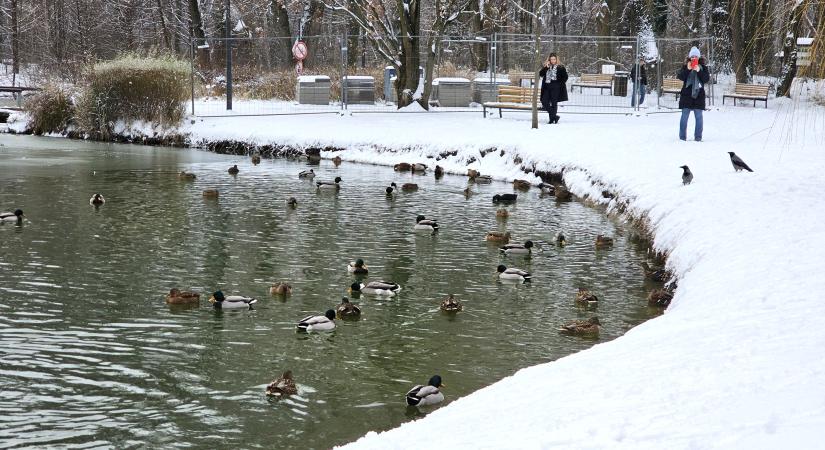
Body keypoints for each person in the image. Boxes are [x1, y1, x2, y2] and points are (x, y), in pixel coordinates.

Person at [676, 46, 710, 141]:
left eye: (696, 56)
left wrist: (699, 71)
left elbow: (706, 79)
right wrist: (688, 69)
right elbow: (680, 77)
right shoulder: (685, 66)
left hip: (699, 95)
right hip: (686, 95)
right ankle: (682, 137)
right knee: (684, 116)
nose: (694, 58)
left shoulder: (703, 67)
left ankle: (698, 137)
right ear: (689, 57)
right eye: (692, 57)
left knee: (699, 117)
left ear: (699, 57)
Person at [539, 53, 569, 124]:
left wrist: (559, 84)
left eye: (554, 59)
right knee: (544, 101)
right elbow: (541, 74)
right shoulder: (546, 66)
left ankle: (551, 119)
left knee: (554, 103)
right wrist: (546, 67)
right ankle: (555, 116)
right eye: (551, 59)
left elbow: (565, 77)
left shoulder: (560, 67)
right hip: (547, 87)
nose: (553, 61)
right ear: (549, 59)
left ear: (556, 59)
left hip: (556, 87)